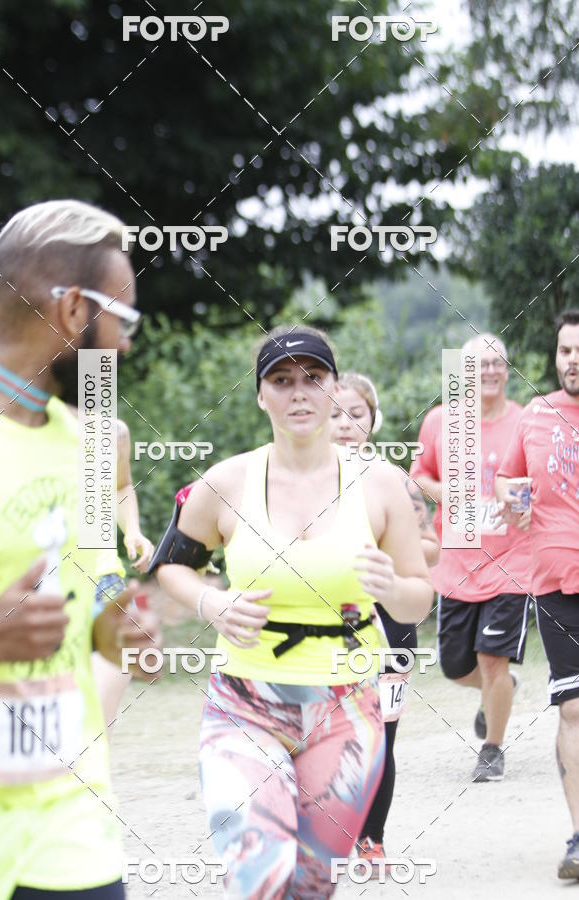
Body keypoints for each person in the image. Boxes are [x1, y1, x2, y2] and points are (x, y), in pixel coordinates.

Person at [154, 326, 433, 898]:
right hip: (245, 702)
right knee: (260, 875)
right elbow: (171, 566)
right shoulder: (227, 481)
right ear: (261, 395)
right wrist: (213, 600)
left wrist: (391, 587)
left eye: (314, 378)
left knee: (309, 885)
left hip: (347, 707)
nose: (299, 392)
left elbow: (419, 596)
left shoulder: (381, 486)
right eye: (281, 380)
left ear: (334, 391)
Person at [0, 199, 161, 900]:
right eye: (125, 317)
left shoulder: (90, 447)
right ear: (72, 309)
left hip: (71, 825)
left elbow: (94, 581)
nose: (126, 343)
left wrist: (118, 622)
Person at [330, 371, 439, 871]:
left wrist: (387, 563)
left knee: (383, 733)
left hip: (391, 623)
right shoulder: (296, 479)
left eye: (356, 414)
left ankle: (371, 839)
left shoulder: (395, 481)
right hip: (324, 624)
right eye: (334, 413)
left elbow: (433, 547)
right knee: (324, 730)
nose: (345, 424)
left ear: (373, 420)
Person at [411, 333, 532, 782]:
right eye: (480, 365)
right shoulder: (441, 421)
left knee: (490, 659)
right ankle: (502, 692)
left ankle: (492, 749)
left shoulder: (525, 422)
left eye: (498, 363)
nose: (490, 372)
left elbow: (538, 482)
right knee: (455, 665)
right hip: (457, 559)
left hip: (511, 562)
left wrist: (524, 503)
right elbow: (419, 475)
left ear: (507, 369)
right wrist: (449, 493)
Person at [496, 309, 579, 879]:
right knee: (573, 708)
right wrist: (511, 497)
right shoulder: (537, 413)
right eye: (565, 350)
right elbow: (506, 479)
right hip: (555, 581)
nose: (573, 360)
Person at [90, 418, 154, 733]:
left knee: (94, 735)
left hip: (105, 588)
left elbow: (121, 486)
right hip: (34, 589)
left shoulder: (113, 431)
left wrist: (133, 531)